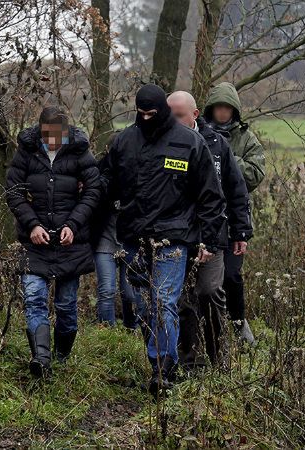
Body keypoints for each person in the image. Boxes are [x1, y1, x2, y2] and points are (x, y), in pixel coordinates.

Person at [100, 84, 226, 394]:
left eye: (151, 114)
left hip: (173, 239)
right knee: (137, 303)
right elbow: (104, 182)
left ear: (163, 112)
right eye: (140, 114)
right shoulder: (124, 142)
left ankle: (164, 371)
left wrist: (208, 240)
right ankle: (160, 354)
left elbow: (211, 196)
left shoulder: (190, 143)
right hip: (132, 238)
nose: (146, 119)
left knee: (163, 302)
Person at [6, 106, 100, 377]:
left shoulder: (80, 152)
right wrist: (32, 224)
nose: (53, 141)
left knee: (66, 305)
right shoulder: (26, 151)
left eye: (58, 136)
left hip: (71, 242)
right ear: (40, 131)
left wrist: (73, 224)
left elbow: (93, 191)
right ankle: (41, 359)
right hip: (34, 242)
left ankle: (61, 357)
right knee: (34, 298)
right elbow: (13, 191)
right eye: (48, 135)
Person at [168, 91, 253, 368]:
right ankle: (189, 361)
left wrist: (240, 231)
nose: (172, 120)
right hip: (176, 233)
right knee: (183, 298)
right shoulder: (162, 141)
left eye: (178, 115)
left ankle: (219, 358)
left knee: (209, 290)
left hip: (213, 232)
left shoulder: (217, 143)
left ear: (194, 115)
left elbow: (236, 189)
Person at [203, 82, 265, 344]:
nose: (222, 113)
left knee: (231, 275)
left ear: (235, 110)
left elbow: (255, 174)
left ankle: (239, 323)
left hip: (235, 215)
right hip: (205, 216)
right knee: (206, 281)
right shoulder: (199, 133)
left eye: (227, 108)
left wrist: (225, 159)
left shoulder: (247, 139)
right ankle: (208, 327)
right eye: (218, 107)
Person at [91, 134, 146, 329]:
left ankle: (132, 328)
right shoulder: (100, 173)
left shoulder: (141, 173)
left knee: (130, 292)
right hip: (104, 241)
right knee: (106, 290)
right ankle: (108, 332)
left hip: (130, 241)